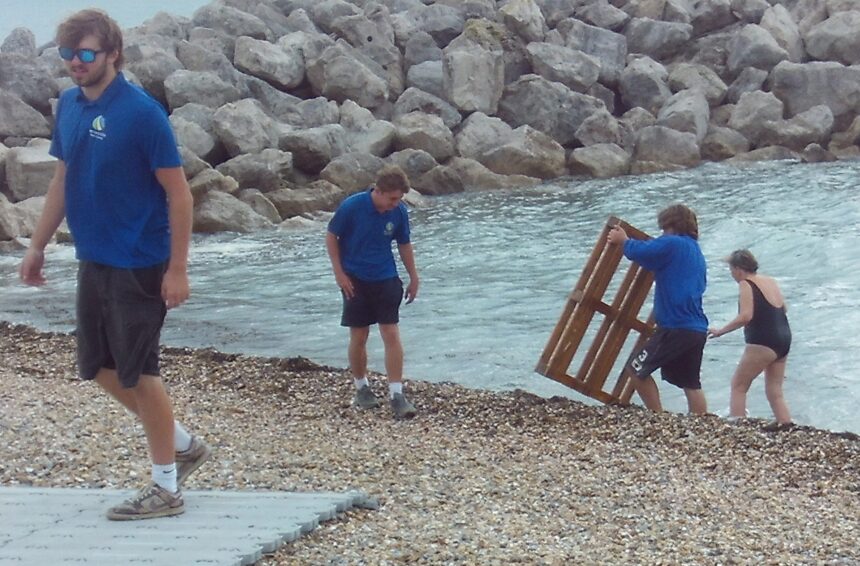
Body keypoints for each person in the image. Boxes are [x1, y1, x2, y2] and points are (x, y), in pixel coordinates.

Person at [18, 9, 211, 520]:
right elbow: (62, 179)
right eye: (67, 55)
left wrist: (178, 269)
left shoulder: (142, 114)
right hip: (94, 257)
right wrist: (37, 245)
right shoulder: (69, 105)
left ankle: (166, 487)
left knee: (140, 372)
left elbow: (180, 196)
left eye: (85, 54)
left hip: (140, 261)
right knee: (97, 367)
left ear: (113, 54)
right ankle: (184, 444)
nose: (75, 64)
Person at [326, 166, 420, 419]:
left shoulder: (399, 212)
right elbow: (331, 236)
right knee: (359, 336)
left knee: (391, 333)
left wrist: (414, 276)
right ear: (378, 191)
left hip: (386, 277)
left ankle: (397, 394)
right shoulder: (352, 207)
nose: (396, 203)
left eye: (399, 199)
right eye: (392, 198)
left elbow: (404, 243)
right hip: (354, 279)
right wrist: (339, 273)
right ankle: (361, 388)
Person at [607, 204, 709, 415]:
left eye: (663, 228)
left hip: (676, 326)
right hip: (696, 327)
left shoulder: (672, 243)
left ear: (671, 225)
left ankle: (658, 416)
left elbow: (644, 251)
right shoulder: (695, 251)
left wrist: (623, 241)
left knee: (635, 368)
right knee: (691, 383)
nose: (662, 232)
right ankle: (701, 424)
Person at [708, 250, 792, 426]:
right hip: (784, 338)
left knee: (739, 385)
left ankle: (739, 427)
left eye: (731, 269)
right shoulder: (770, 281)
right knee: (775, 390)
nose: (731, 273)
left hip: (763, 341)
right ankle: (786, 424)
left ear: (738, 269)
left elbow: (746, 316)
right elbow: (783, 308)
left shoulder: (746, 284)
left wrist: (721, 331)